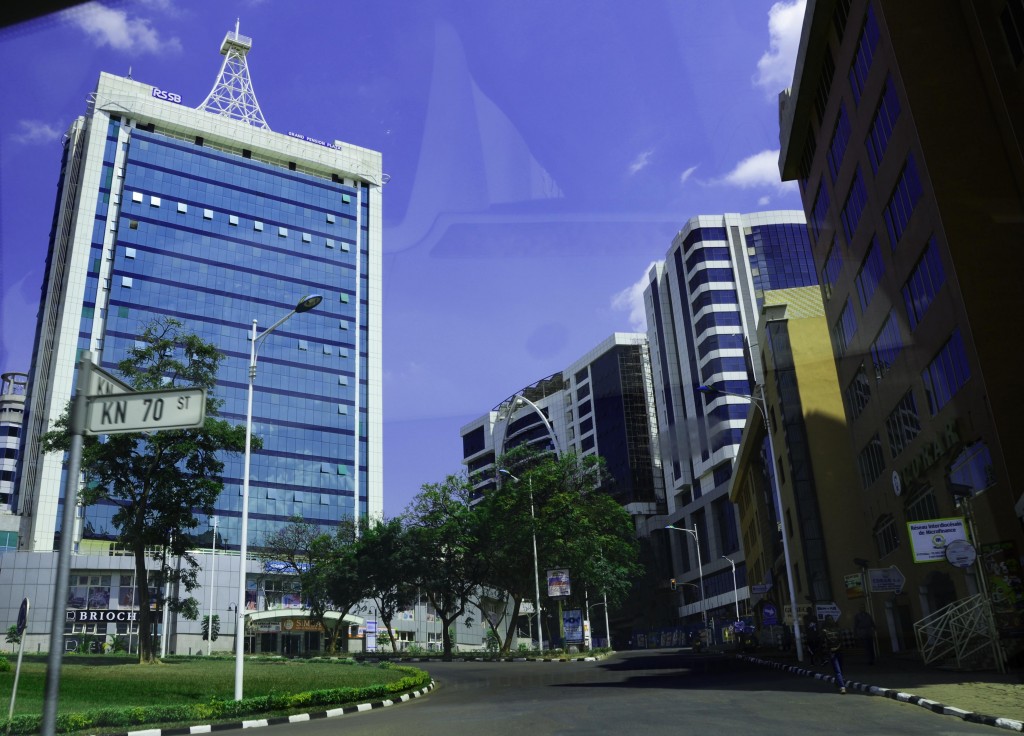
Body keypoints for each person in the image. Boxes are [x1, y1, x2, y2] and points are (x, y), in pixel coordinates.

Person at [821, 616, 846, 694]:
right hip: (837, 651)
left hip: (834, 651)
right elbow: (841, 640)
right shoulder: (836, 630)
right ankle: (841, 686)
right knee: (839, 670)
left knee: (838, 670)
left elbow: (823, 642)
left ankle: (839, 684)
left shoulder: (825, 631)